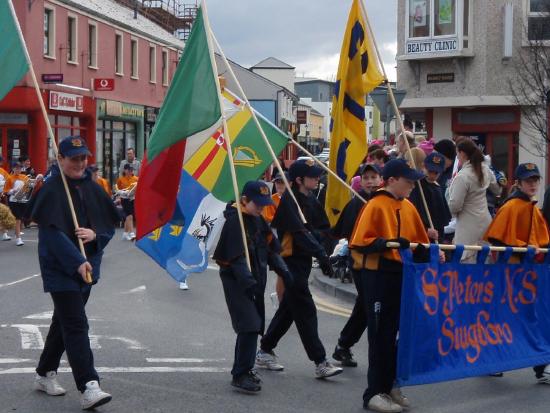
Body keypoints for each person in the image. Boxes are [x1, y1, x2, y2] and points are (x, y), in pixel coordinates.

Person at [26, 136, 119, 410]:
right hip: (60, 269)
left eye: (83, 157)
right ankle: (89, 386)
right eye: (74, 158)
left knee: (62, 323)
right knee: (76, 324)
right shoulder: (51, 189)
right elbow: (52, 235)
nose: (80, 163)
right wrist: (77, 260)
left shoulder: (94, 187)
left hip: (88, 269)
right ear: (60, 159)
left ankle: (44, 374)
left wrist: (95, 235)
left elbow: (109, 226)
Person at [350, 159, 433, 413]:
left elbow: (418, 244)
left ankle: (390, 385)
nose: (412, 186)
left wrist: (432, 251)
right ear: (392, 180)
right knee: (381, 336)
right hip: (378, 276)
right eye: (407, 181)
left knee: (398, 334)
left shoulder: (408, 206)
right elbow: (360, 241)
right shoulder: (376, 205)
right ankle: (374, 392)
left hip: (401, 275)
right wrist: (386, 243)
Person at [257, 159, 343, 379]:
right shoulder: (289, 201)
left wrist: (328, 247)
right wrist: (321, 254)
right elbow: (299, 235)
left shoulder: (311, 200)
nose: (316, 178)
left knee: (288, 311)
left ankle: (265, 350)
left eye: (316, 175)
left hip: (303, 263)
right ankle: (320, 361)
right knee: (305, 309)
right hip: (290, 263)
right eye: (312, 176)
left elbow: (323, 229)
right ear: (298, 180)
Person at [213, 181, 292, 393]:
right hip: (238, 282)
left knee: (254, 325)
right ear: (244, 200)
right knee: (249, 324)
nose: (260, 208)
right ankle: (239, 374)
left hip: (255, 280)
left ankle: (245, 369)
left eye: (263, 204)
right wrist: (248, 283)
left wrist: (284, 271)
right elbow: (236, 259)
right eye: (257, 204)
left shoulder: (258, 220)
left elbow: (271, 250)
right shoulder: (235, 222)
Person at [483, 163, 550, 384]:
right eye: (528, 180)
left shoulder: (531, 207)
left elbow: (542, 240)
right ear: (518, 183)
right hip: (512, 273)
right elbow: (497, 239)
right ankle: (493, 361)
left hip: (530, 273)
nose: (532, 184)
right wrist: (522, 250)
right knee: (505, 318)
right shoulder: (511, 207)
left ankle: (542, 365)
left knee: (534, 317)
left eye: (535, 180)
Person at [331, 164, 382, 368]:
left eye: (373, 177)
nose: (370, 181)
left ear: (380, 179)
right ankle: (368, 350)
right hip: (360, 262)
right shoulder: (355, 203)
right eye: (366, 177)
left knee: (365, 305)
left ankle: (344, 345)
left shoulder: (382, 201)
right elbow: (347, 233)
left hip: (377, 262)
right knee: (368, 304)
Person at [448, 139, 501, 263]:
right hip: (486, 222)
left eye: (457, 154)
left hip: (467, 225)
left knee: (467, 261)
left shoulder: (463, 176)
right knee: (485, 260)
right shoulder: (485, 169)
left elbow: (454, 206)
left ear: (462, 154)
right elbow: (498, 190)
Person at [409, 152, 452, 243]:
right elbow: (412, 214)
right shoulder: (417, 185)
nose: (432, 175)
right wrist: (425, 229)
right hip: (419, 235)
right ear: (423, 167)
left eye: (436, 173)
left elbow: (441, 220)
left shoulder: (437, 188)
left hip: (436, 236)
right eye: (430, 171)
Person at [262, 171, 289, 301]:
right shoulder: (272, 199)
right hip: (277, 239)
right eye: (278, 182)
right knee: (281, 272)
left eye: (282, 182)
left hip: (290, 239)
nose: (279, 185)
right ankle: (280, 300)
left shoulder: (293, 199)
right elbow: (268, 217)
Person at [4, 161, 30, 246]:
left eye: (19, 168)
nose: (18, 169)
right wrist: (12, 191)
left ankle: (17, 233)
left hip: (22, 200)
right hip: (13, 201)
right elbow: (6, 191)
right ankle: (18, 239)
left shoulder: (25, 177)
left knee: (21, 218)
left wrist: (26, 189)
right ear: (13, 168)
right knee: (18, 219)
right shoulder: (10, 178)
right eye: (16, 168)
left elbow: (27, 188)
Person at [116, 164, 138, 241]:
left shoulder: (136, 179)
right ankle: (132, 233)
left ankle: (125, 233)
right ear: (125, 170)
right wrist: (119, 196)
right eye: (129, 170)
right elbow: (117, 189)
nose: (130, 171)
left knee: (128, 217)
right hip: (124, 199)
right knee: (130, 216)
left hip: (133, 199)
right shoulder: (120, 179)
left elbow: (139, 188)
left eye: (131, 170)